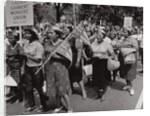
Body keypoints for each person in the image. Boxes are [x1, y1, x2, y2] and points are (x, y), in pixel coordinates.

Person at [44, 26, 73, 113]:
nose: (49, 35)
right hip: (50, 68)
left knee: (62, 89)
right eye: (48, 33)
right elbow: (45, 56)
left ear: (57, 34)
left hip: (61, 69)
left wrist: (57, 56)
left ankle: (69, 107)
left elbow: (68, 58)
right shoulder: (47, 43)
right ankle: (59, 105)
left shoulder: (63, 44)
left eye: (51, 33)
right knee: (55, 88)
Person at [23, 29, 48, 113]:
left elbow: (38, 59)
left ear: (32, 35)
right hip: (28, 67)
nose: (26, 35)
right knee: (28, 88)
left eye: (28, 33)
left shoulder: (38, 45)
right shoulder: (25, 44)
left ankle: (43, 105)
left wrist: (27, 55)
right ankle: (32, 105)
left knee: (38, 87)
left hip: (37, 68)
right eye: (25, 33)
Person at [91, 26, 115, 101]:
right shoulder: (94, 43)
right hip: (95, 62)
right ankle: (99, 92)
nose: (98, 37)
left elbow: (113, 55)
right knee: (96, 78)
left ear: (103, 37)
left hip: (103, 63)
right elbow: (91, 51)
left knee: (102, 78)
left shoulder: (106, 44)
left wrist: (107, 57)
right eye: (97, 35)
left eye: (100, 36)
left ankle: (102, 94)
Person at [5, 31, 25, 103]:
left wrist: (22, 68)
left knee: (18, 83)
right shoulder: (8, 46)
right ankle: (14, 96)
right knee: (11, 83)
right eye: (9, 38)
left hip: (17, 68)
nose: (10, 40)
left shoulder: (19, 47)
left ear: (16, 39)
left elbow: (23, 57)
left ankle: (20, 97)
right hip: (10, 67)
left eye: (11, 38)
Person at [119, 29, 139, 96]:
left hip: (129, 58)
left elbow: (136, 48)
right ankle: (128, 85)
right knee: (124, 72)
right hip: (123, 58)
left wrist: (127, 47)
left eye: (124, 32)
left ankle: (132, 88)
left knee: (129, 73)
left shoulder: (133, 40)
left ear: (128, 33)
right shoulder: (123, 39)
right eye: (123, 32)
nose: (123, 33)